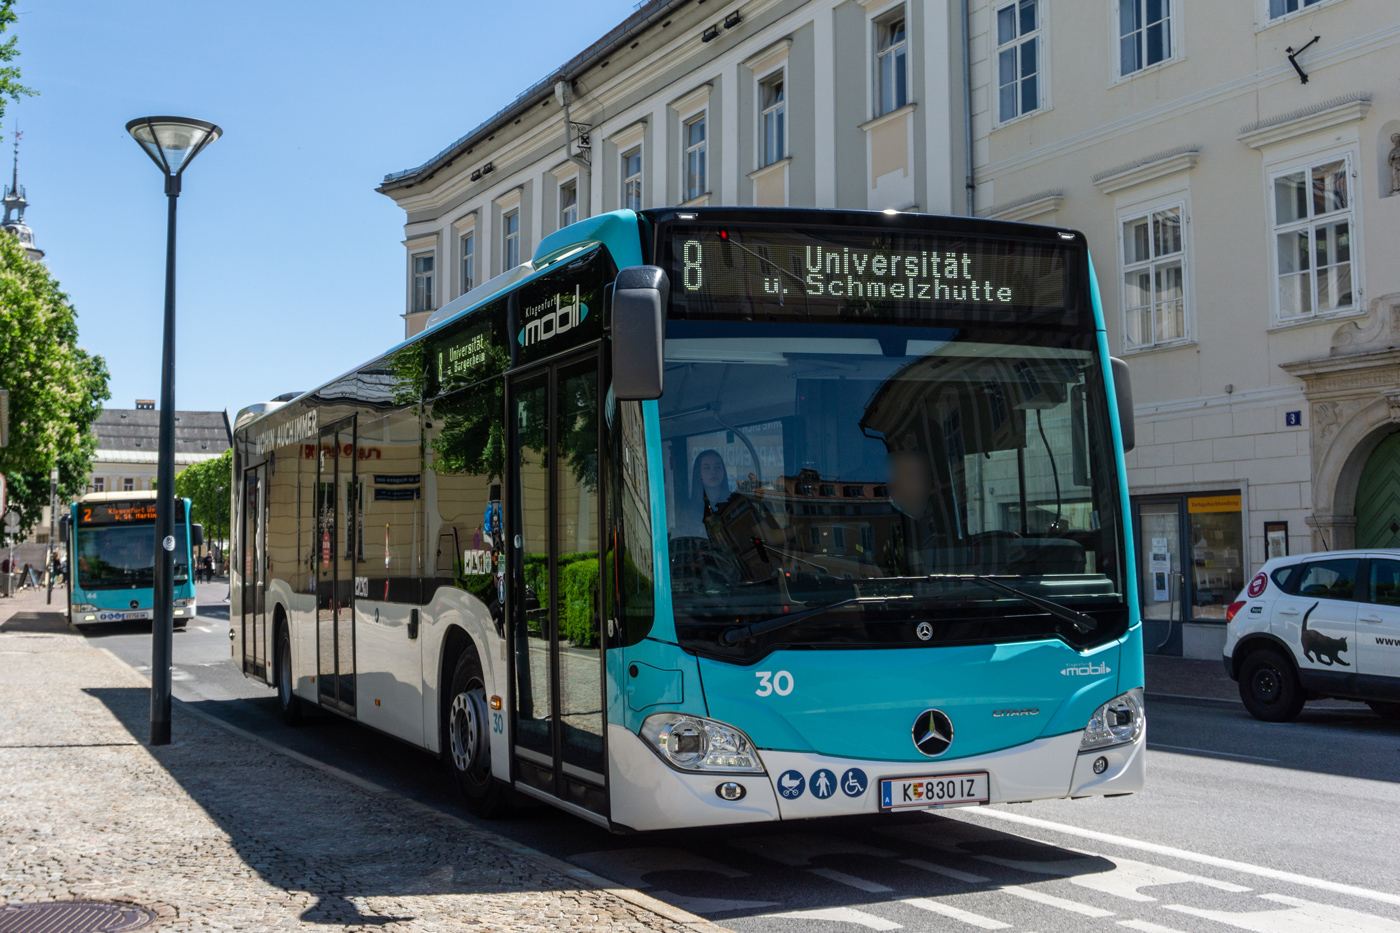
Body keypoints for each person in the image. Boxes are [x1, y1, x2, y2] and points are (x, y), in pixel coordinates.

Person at [674, 449, 731, 537]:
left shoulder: (734, 501)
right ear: (699, 473)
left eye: (718, 467)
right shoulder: (688, 510)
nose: (713, 472)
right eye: (707, 468)